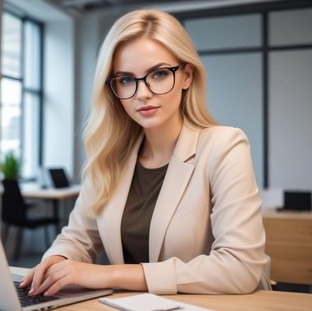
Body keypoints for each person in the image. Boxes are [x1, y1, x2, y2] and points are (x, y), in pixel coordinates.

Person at [20, 8, 271, 296]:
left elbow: (239, 268)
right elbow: (78, 238)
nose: (142, 93)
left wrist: (110, 274)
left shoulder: (225, 146)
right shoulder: (110, 157)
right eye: (126, 79)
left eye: (159, 74)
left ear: (187, 75)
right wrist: (57, 260)